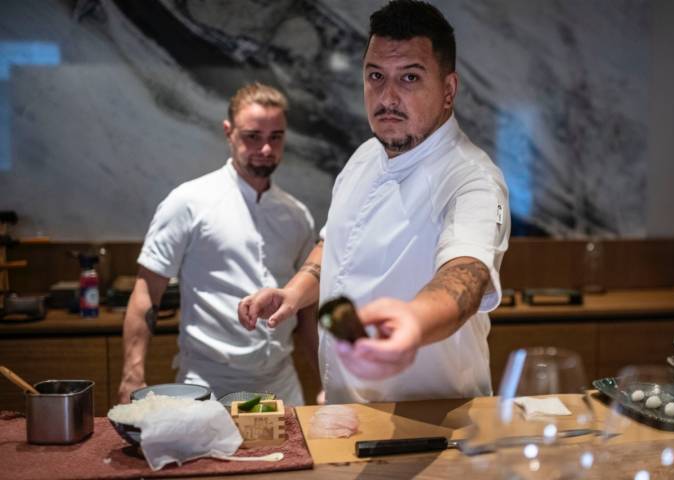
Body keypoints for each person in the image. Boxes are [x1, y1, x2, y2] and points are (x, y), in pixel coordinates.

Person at [238, 0, 510, 404]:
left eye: (410, 78)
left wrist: (412, 322)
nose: (387, 96)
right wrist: (294, 293)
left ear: (448, 89)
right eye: (376, 76)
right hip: (349, 409)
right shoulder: (365, 156)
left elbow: (466, 275)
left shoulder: (473, 179)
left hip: (433, 423)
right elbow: (337, 243)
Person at [118, 83, 317, 405]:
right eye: (253, 136)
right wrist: (132, 376)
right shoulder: (189, 202)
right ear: (229, 132)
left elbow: (307, 310)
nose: (266, 148)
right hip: (207, 386)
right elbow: (146, 293)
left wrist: (325, 380)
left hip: (281, 386)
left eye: (275, 137)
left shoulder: (297, 215)